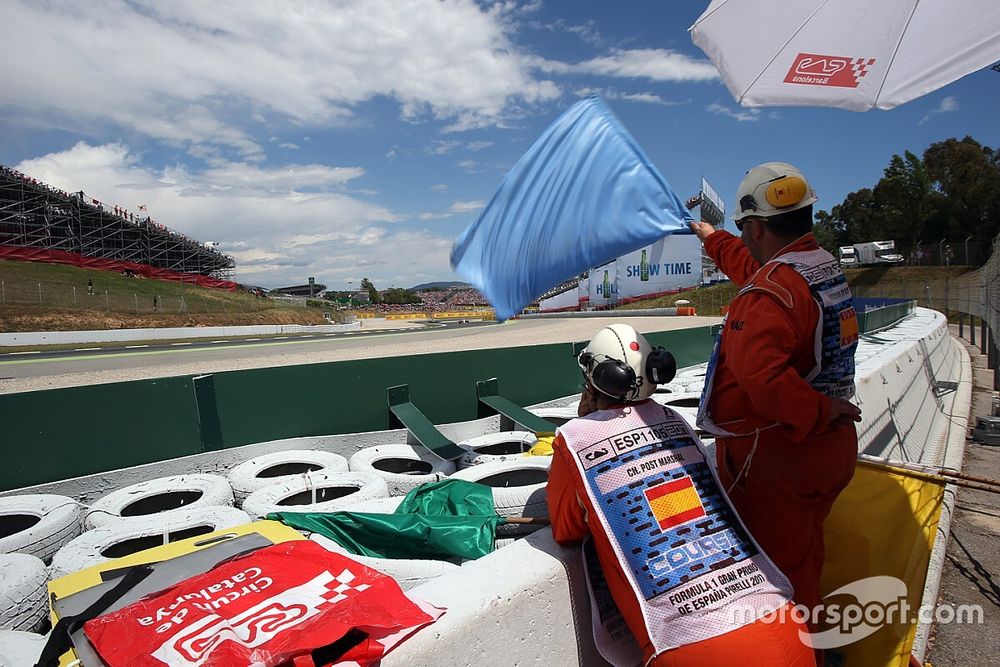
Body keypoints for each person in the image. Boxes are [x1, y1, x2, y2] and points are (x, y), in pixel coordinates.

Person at [547, 324, 816, 667]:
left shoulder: (576, 440)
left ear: (595, 382)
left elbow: (565, 529)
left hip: (695, 649)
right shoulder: (677, 423)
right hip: (787, 624)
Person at [687, 162, 862, 622]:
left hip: (779, 460)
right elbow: (755, 267)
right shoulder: (818, 267)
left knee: (772, 584)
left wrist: (821, 411)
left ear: (759, 226)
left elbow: (764, 384)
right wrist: (711, 235)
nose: (742, 237)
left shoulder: (765, 296)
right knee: (804, 563)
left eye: (743, 228)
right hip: (826, 453)